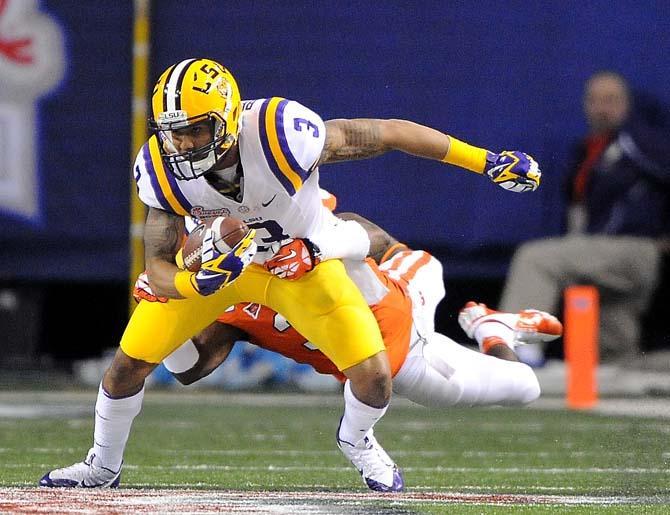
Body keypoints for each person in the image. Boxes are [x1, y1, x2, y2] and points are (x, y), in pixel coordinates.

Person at [40, 58, 541, 491]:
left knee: (375, 377)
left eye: (195, 128)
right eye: (172, 131)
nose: (181, 143)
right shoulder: (160, 169)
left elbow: (386, 133)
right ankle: (101, 465)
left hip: (303, 269)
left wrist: (485, 161)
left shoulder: (281, 137)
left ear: (231, 121)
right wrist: (196, 282)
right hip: (227, 272)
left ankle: (358, 438)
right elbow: (157, 266)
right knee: (129, 364)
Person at [499, 71, 670, 365]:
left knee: (536, 259)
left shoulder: (640, 141)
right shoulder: (587, 151)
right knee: (612, 366)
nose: (602, 108)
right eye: (595, 101)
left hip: (634, 250)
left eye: (611, 100)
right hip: (601, 257)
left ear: (627, 105)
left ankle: (513, 349)